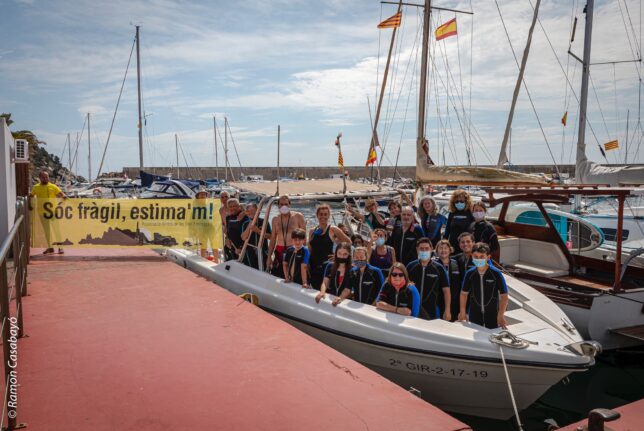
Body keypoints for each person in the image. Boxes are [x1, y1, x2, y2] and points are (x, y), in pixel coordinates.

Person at [458, 242, 509, 329]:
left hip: (492, 313)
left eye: (482, 257)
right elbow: (464, 294)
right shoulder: (470, 273)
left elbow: (504, 296)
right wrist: (462, 311)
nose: (478, 259)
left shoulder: (496, 273)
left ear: (488, 257)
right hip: (474, 313)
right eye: (476, 256)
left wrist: (501, 315)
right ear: (472, 256)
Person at [406, 238, 451, 320]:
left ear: (431, 249)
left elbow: (446, 291)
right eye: (421, 249)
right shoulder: (411, 266)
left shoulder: (439, 268)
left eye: (426, 248)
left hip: (432, 309)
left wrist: (447, 310)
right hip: (412, 307)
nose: (424, 251)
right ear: (417, 250)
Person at [308, 204, 350, 290]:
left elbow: (348, 242)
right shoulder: (312, 231)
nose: (323, 216)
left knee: (326, 290)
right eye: (321, 214)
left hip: (327, 266)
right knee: (313, 289)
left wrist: (337, 255)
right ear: (317, 215)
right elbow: (310, 250)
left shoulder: (333, 229)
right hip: (313, 266)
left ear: (328, 216)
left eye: (325, 214)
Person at [267, 196, 306, 278]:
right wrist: (269, 256)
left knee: (294, 276)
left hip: (294, 250)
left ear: (290, 205)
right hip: (279, 251)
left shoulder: (298, 216)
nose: (284, 206)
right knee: (278, 275)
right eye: (281, 204)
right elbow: (273, 239)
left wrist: (305, 255)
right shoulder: (275, 219)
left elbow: (304, 237)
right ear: (278, 206)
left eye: (286, 204)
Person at [30, 170, 67, 255]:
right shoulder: (36, 187)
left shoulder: (53, 186)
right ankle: (50, 248)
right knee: (47, 231)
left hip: (53, 212)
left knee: (56, 230)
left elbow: (61, 194)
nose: (46, 178)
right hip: (42, 213)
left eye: (47, 177)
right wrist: (30, 204)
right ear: (40, 178)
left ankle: (60, 247)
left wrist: (64, 196)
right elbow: (31, 196)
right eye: (43, 177)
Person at [434, 239, 461, 322]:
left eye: (445, 248)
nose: (443, 250)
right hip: (438, 302)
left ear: (450, 250)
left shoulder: (456, 263)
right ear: (437, 251)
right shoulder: (433, 265)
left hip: (455, 302)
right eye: (440, 248)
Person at [241, 203, 271, 269]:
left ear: (258, 211)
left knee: (263, 268)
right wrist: (249, 225)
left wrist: (258, 231)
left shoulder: (264, 222)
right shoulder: (245, 224)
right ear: (247, 213)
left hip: (262, 250)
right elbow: (243, 238)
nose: (251, 212)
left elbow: (270, 237)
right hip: (249, 251)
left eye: (253, 210)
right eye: (249, 211)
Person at [193, 190, 218, 260]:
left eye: (204, 194)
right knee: (203, 245)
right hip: (200, 226)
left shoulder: (210, 203)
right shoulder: (194, 205)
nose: (203, 196)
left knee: (214, 244)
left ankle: (216, 260)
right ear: (198, 196)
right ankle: (202, 259)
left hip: (210, 226)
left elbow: (216, 215)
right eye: (201, 194)